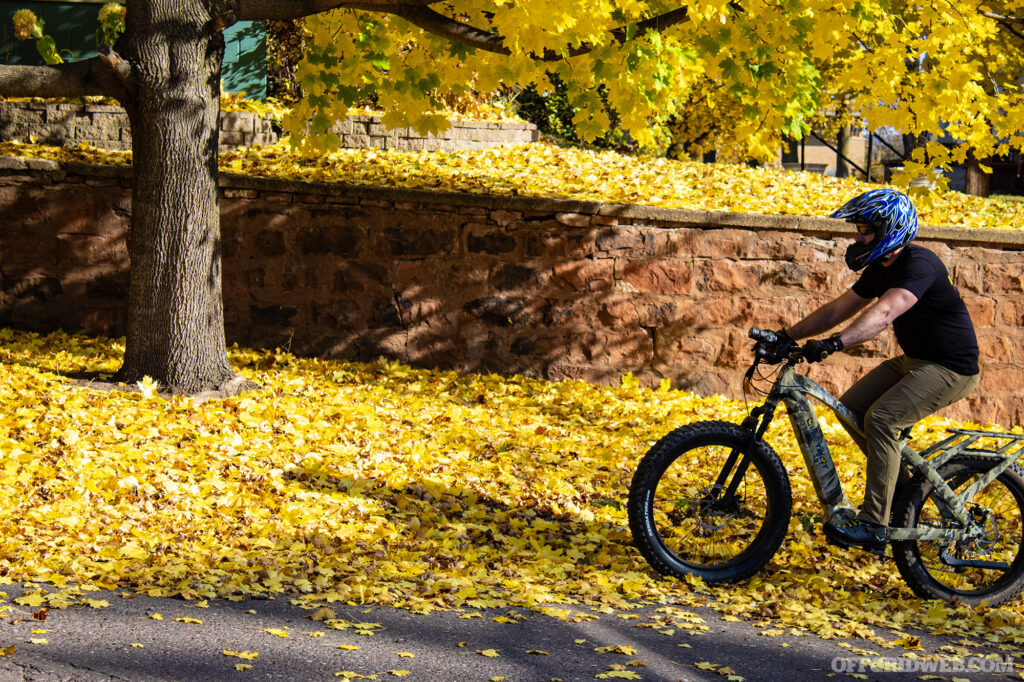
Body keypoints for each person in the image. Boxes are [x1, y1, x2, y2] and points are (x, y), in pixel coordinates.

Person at [774, 188, 980, 553]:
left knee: (883, 420)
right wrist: (786, 336)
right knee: (852, 410)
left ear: (891, 229)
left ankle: (876, 525)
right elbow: (837, 309)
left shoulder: (921, 264)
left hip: (950, 368)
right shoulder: (880, 267)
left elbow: (884, 313)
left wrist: (835, 344)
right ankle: (903, 500)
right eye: (857, 229)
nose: (857, 237)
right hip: (914, 361)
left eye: (865, 229)